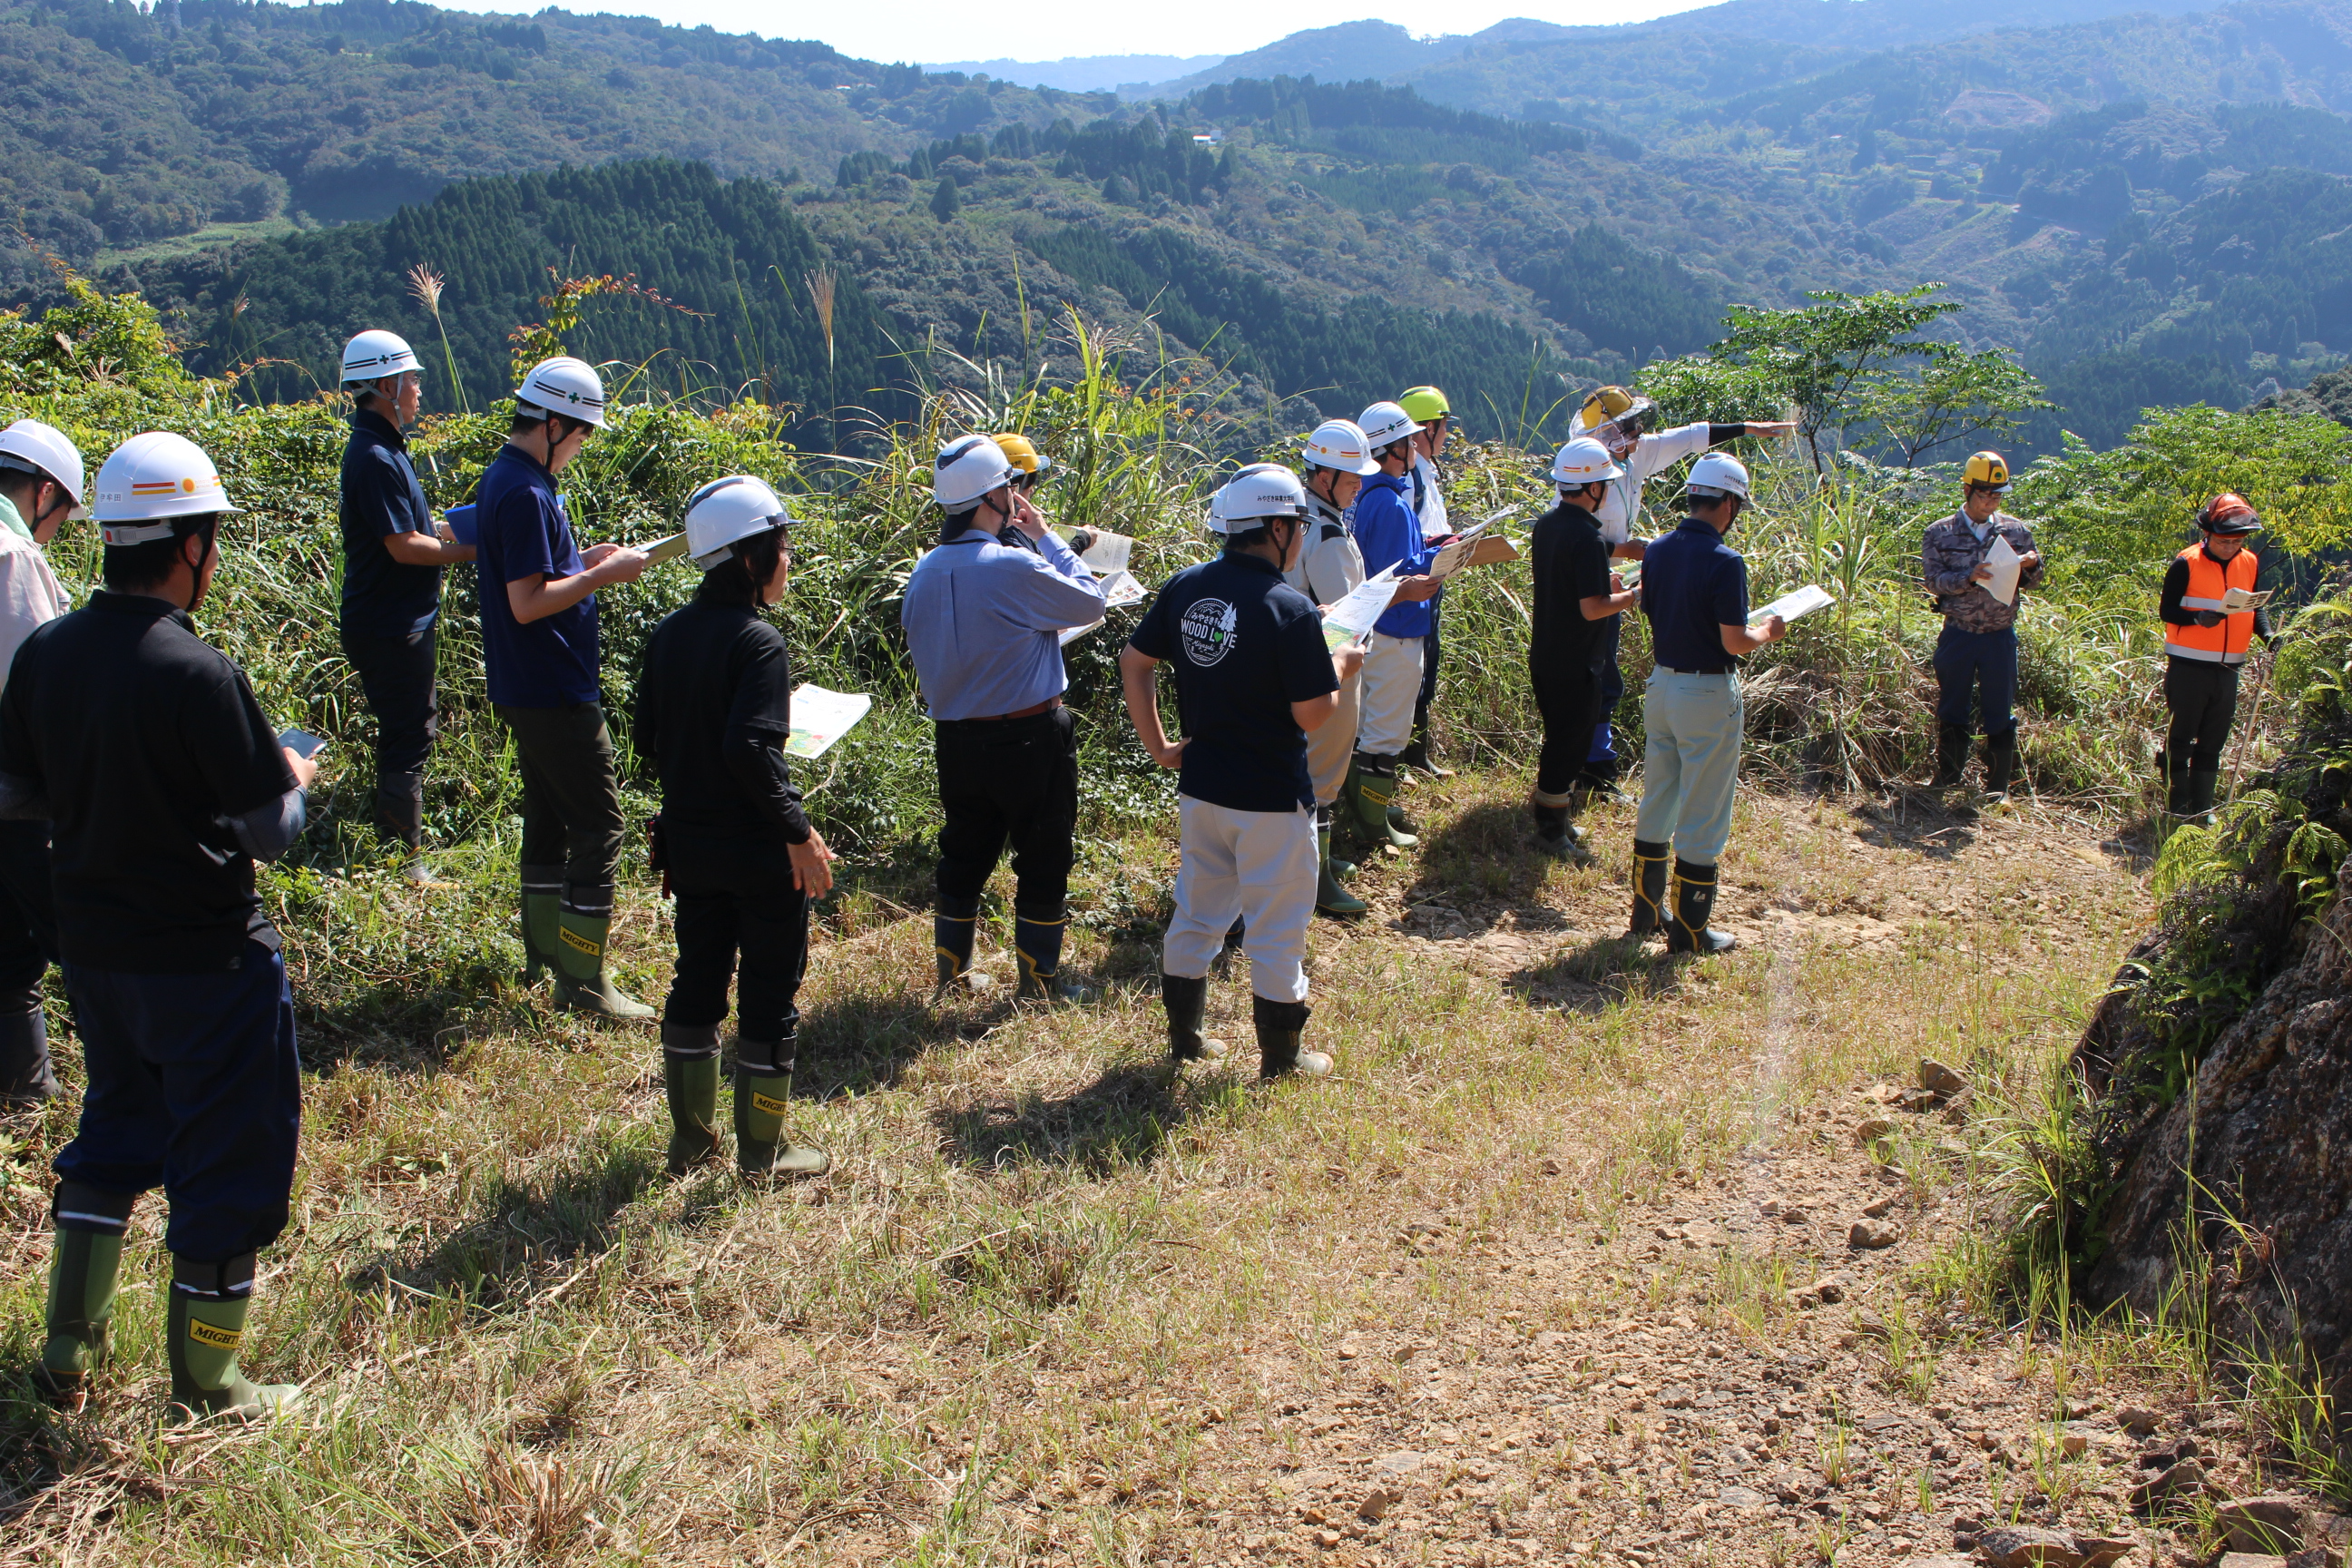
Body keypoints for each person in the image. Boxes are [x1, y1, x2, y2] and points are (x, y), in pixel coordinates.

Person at [2, 432, 318, 1421]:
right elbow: (270, 832)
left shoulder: (48, 651)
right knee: (227, 1159)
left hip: (96, 955)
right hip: (207, 960)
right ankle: (210, 1383)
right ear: (189, 546)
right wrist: (294, 774)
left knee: (115, 1131)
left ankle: (68, 1348)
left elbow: (15, 793)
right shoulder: (198, 672)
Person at [1121, 465, 1363, 1078]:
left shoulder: (1186, 586)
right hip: (1272, 799)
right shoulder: (1291, 609)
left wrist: (1160, 746)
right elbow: (1312, 714)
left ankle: (1186, 1038)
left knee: (1198, 912)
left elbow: (1135, 661)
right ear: (1278, 528)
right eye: (1299, 525)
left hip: (1203, 788)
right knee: (1277, 929)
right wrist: (1340, 666)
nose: (1302, 535)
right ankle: (1282, 1057)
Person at [636, 476, 833, 1179]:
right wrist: (799, 832)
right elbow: (747, 748)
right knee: (769, 994)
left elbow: (647, 739)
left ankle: (691, 1142)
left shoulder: (668, 634)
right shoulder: (759, 642)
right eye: (781, 546)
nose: (787, 559)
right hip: (756, 851)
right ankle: (762, 1151)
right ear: (749, 558)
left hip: (689, 847)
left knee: (696, 981)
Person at [902, 435, 1110, 1003]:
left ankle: (953, 973)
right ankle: (1039, 983)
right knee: (1044, 854)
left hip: (956, 739)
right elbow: (1091, 601)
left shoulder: (924, 571)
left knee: (964, 852)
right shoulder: (1013, 563)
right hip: (1030, 736)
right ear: (995, 497)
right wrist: (1045, 536)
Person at [476, 355, 653, 1017]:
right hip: (552, 686)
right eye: (580, 434)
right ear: (552, 425)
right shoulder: (526, 492)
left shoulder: (510, 477)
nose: (581, 446)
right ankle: (582, 982)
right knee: (601, 827)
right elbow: (527, 602)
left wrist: (583, 561)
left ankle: (544, 958)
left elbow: (539, 574)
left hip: (526, 683)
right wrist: (603, 576)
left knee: (549, 820)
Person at [1568, 387, 1794, 798]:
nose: (1639, 433)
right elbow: (1571, 537)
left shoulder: (1633, 456)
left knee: (1604, 670)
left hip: (1614, 580)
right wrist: (1624, 550)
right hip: (1589, 584)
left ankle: (1594, 765)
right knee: (1591, 673)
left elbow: (1690, 437)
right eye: (1629, 426)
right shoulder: (1585, 471)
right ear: (1609, 433)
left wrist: (1748, 428)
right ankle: (1588, 767)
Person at [1630, 453, 1787, 955]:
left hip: (1662, 684)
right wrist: (1768, 631)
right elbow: (1734, 641)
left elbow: (1652, 607)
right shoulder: (1726, 561)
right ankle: (1691, 930)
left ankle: (1646, 911)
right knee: (1704, 808)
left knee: (1659, 796)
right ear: (1729, 504)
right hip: (1706, 691)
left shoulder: (1657, 550)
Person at [337, 329, 475, 883]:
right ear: (386, 386)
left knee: (406, 728)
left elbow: (411, 528)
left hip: (390, 618)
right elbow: (404, 546)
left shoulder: (384, 448)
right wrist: (478, 550)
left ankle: (399, 853)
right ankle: (402, 862)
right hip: (391, 623)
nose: (418, 389)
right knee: (409, 733)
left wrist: (455, 528)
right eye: (411, 379)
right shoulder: (375, 456)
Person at [0, 419, 82, 1105]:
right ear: (45, 493)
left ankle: (25, 1095)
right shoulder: (13, 557)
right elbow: (34, 687)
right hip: (15, 795)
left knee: (5, 948)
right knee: (78, 937)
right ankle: (138, 1088)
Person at [1528, 437, 1642, 859]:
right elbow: (1593, 608)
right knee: (1569, 746)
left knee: (1560, 740)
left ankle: (1555, 818)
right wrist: (1633, 595)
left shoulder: (1547, 525)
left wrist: (1606, 586)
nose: (1608, 491)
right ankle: (1550, 831)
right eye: (1606, 485)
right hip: (1577, 661)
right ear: (1593, 488)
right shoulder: (1590, 540)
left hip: (1547, 654)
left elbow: (1567, 583)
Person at [1346, 401, 1446, 851]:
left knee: (1367, 724)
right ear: (1390, 450)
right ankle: (1372, 824)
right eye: (1408, 441)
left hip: (1375, 627)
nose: (1415, 448)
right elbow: (1396, 573)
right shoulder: (1389, 503)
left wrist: (1433, 548)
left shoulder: (1365, 496)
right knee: (1386, 732)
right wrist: (1441, 560)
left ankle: (1366, 808)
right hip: (1397, 628)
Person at [1290, 418, 1379, 917]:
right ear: (1324, 477)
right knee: (1321, 774)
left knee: (1318, 770)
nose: (1359, 485)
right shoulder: (1324, 534)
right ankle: (1316, 880)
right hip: (1330, 665)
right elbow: (1344, 616)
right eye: (1352, 477)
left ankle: (1317, 864)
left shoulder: (1312, 518)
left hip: (1314, 662)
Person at [1921, 451, 2045, 802]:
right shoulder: (1940, 533)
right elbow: (1934, 581)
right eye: (1984, 494)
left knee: (1999, 710)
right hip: (1959, 633)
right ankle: (1947, 779)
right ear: (1967, 490)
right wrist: (1969, 578)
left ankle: (1997, 788)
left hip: (1999, 635)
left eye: (1997, 495)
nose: (1991, 501)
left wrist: (2031, 566)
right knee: (1952, 706)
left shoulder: (2016, 531)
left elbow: (2035, 581)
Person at [2158, 493, 2275, 826]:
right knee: (2181, 737)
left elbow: (2255, 608)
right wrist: (2196, 618)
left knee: (2213, 740)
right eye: (2225, 541)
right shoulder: (2187, 562)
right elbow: (2167, 610)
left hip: (2228, 669)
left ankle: (2202, 807)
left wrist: (2269, 636)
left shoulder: (2249, 561)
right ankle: (2177, 803)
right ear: (2208, 534)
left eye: (2238, 541)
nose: (2230, 547)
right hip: (2189, 667)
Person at [1397, 385, 1455, 779]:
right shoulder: (1410, 477)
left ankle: (1415, 755)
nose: (1446, 435)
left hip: (1431, 577)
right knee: (1414, 668)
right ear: (1427, 429)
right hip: (1417, 581)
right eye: (1443, 427)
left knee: (1425, 664)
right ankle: (1405, 756)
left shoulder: (1423, 472)